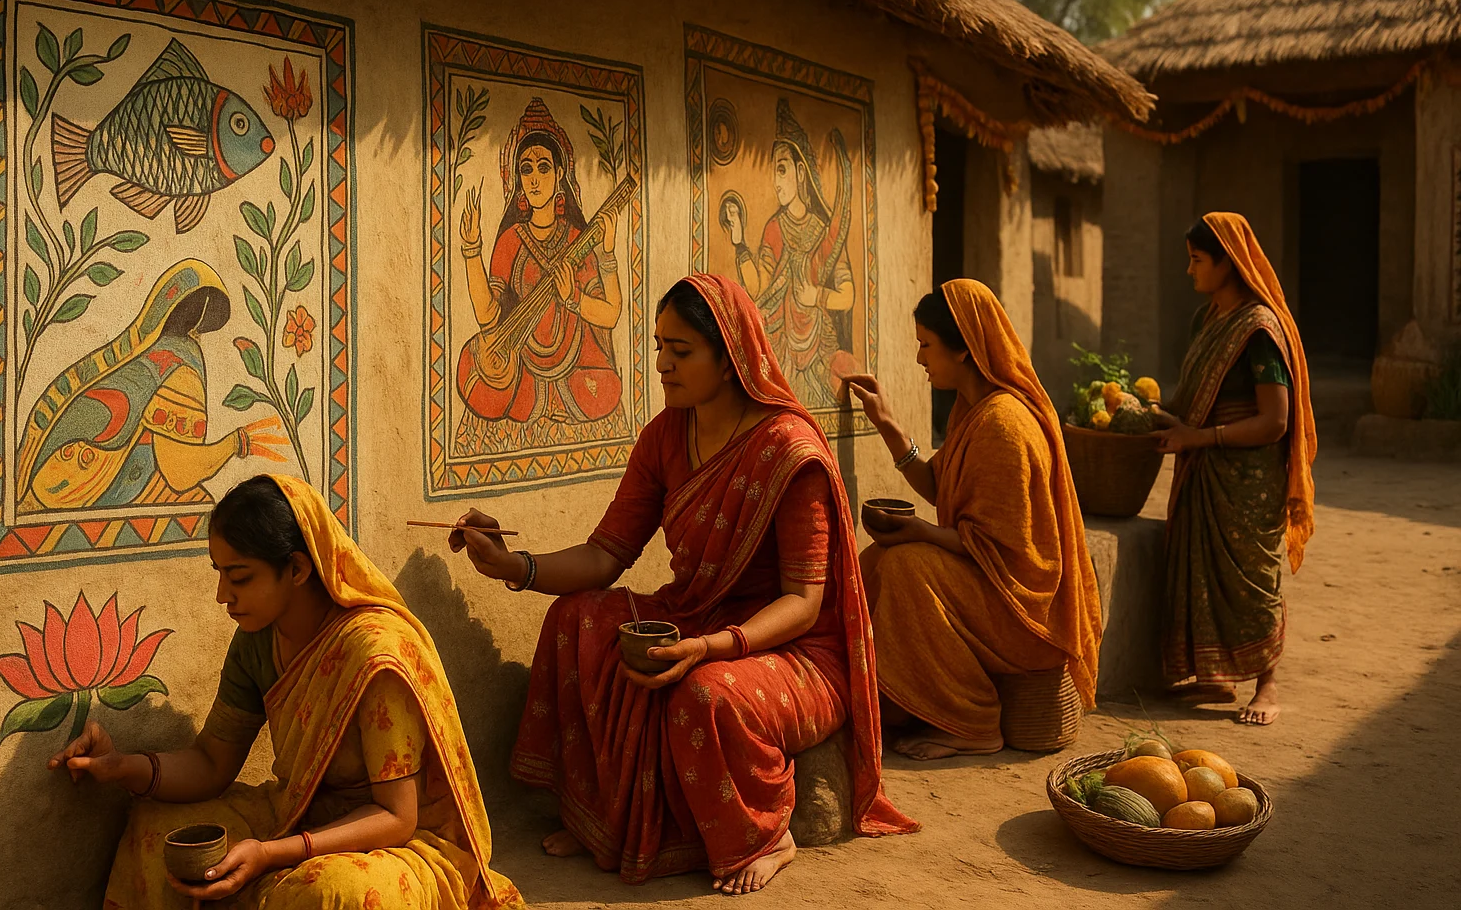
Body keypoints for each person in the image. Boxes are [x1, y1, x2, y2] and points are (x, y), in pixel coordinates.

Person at [450, 274, 915, 895]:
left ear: (730, 358)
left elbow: (804, 606)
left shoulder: (789, 451)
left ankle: (768, 836)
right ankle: (604, 822)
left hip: (794, 651)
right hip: (696, 614)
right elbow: (603, 554)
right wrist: (514, 566)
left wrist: (712, 647)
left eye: (682, 351)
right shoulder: (666, 434)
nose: (663, 364)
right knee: (574, 621)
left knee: (704, 695)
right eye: (659, 346)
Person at [48, 475, 521, 909]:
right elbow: (212, 762)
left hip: (401, 843)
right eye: (219, 573)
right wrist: (122, 767)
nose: (222, 595)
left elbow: (396, 817)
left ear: (296, 568)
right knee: (155, 831)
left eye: (240, 577)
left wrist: (271, 854)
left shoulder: (376, 654)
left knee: (335, 893)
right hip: (297, 812)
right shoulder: (256, 639)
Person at [842, 280, 1103, 759]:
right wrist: (888, 424)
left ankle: (972, 721)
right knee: (881, 559)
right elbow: (940, 486)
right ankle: (888, 701)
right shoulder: (974, 410)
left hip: (1025, 618)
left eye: (926, 345)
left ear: (963, 349)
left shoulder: (1004, 424)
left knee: (906, 568)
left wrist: (920, 531)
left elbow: (1001, 551)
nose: (920, 358)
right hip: (992, 589)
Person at [1151, 213, 1317, 726]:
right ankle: (1215, 675)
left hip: (1246, 480)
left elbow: (1274, 421)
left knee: (1252, 580)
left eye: (1198, 260)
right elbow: (1198, 398)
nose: (1190, 270)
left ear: (1229, 262)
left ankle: (1267, 685)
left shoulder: (1260, 330)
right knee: (1202, 572)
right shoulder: (1209, 321)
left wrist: (1198, 437)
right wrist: (1153, 415)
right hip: (1206, 469)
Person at [17, 259, 286, 512]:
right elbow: (178, 472)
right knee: (202, 509)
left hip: (45, 483)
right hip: (76, 490)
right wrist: (236, 443)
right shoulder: (181, 366)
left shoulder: (136, 358)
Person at [454, 97, 625, 452]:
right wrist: (472, 250)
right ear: (516, 178)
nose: (534, 180)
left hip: (578, 364)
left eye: (543, 168)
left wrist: (587, 280)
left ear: (560, 174)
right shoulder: (510, 241)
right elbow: (488, 318)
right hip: (525, 367)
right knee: (497, 394)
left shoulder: (578, 239)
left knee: (605, 392)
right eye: (526, 170)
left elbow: (610, 314)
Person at [720, 99, 855, 407]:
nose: (776, 182)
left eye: (782, 170)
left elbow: (847, 295)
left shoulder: (824, 233)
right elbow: (758, 287)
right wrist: (740, 241)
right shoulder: (774, 228)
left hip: (818, 350)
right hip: (779, 347)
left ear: (800, 171)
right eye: (774, 172)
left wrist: (817, 297)